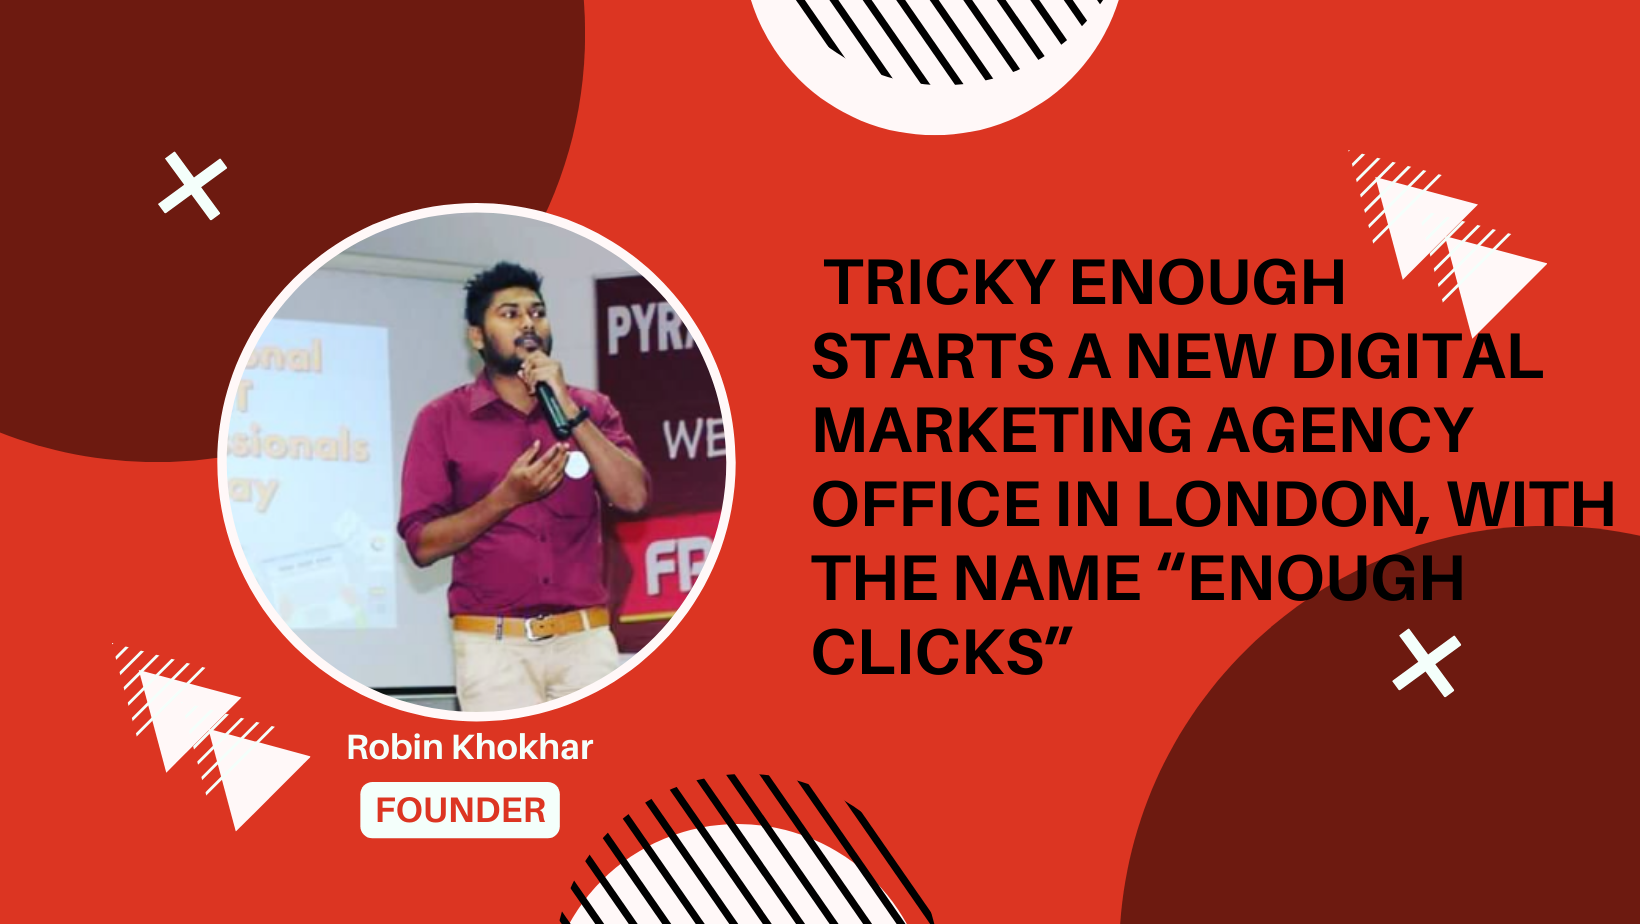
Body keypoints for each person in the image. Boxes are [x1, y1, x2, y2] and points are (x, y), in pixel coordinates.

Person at [397, 261, 649, 711]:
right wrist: (505, 499)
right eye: (510, 314)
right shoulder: (441, 420)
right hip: (493, 650)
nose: (528, 323)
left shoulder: (591, 408)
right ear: (477, 336)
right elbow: (422, 544)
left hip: (585, 643)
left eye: (537, 312)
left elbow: (633, 496)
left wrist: (569, 409)